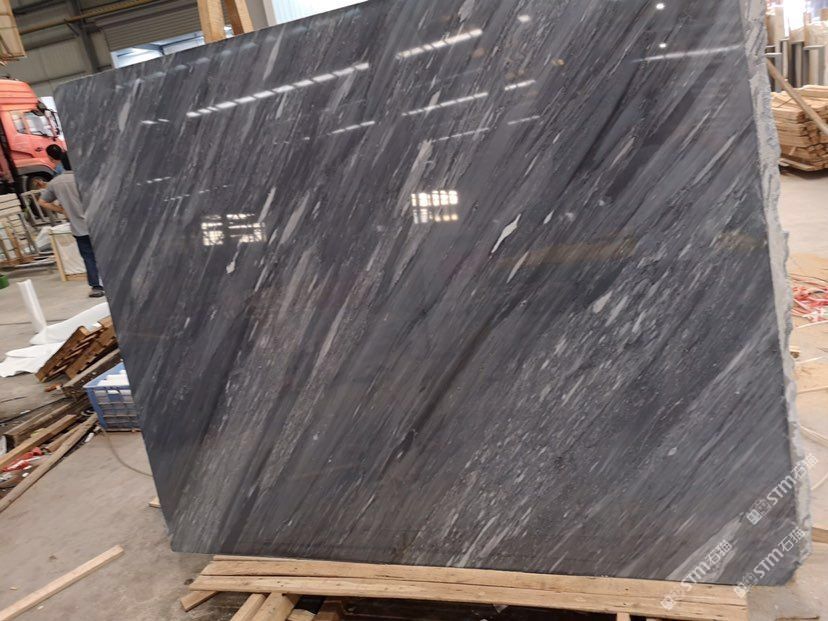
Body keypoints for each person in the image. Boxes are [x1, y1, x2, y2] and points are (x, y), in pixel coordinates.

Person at [37, 156, 104, 298]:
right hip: (99, 224)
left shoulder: (56, 182)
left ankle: (96, 287)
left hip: (79, 228)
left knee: (88, 257)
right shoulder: (87, 177)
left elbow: (42, 202)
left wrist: (62, 210)